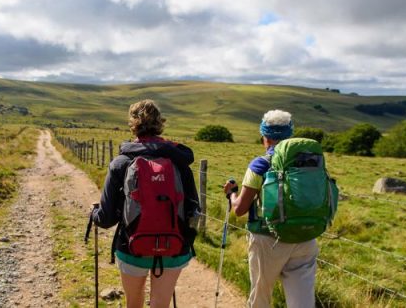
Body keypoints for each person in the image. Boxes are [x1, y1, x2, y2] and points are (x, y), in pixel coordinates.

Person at [91, 99, 199, 308]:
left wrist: (94, 213)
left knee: (133, 303)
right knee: (161, 304)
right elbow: (193, 209)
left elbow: (106, 219)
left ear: (133, 125)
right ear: (160, 123)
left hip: (132, 246)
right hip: (173, 246)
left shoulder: (121, 163)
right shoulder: (179, 162)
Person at [222, 110, 319, 308]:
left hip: (269, 240)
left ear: (265, 137)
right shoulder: (311, 162)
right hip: (306, 237)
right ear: (289, 135)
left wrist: (231, 194)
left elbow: (240, 209)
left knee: (261, 298)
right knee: (302, 304)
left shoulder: (260, 164)